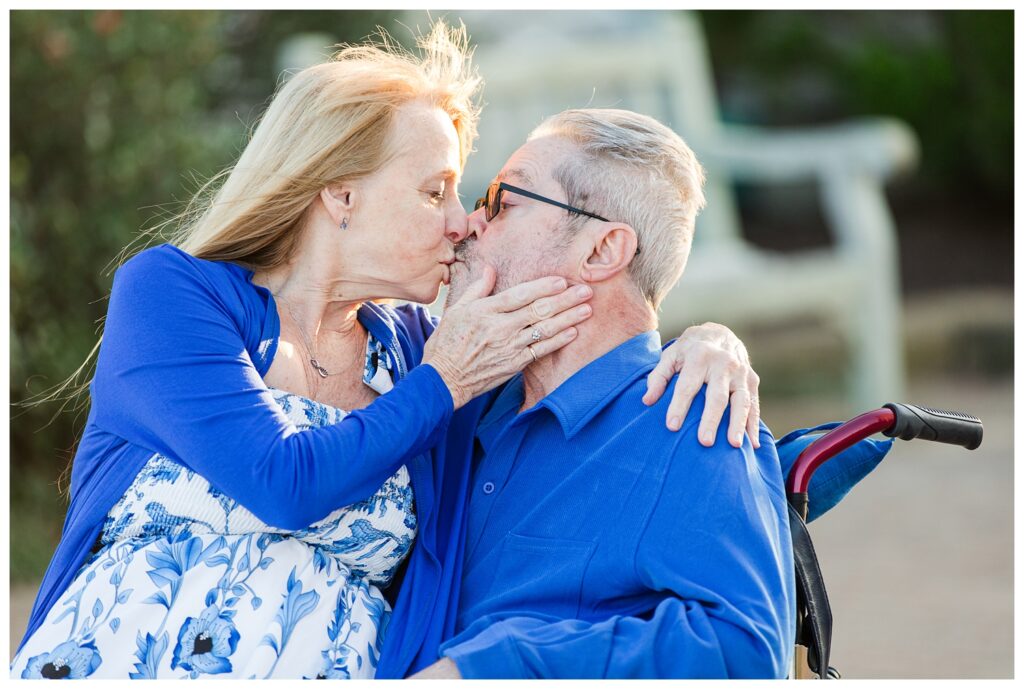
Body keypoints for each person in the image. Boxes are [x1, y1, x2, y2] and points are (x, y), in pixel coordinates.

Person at [12, 25, 760, 680]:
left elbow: (596, 401)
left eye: (483, 198)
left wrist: (711, 342)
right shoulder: (176, 296)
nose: (463, 223)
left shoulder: (421, 356)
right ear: (341, 194)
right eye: (440, 191)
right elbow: (282, 481)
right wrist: (445, 379)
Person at [409, 108, 795, 679]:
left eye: (502, 201)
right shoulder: (464, 397)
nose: (467, 223)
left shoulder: (690, 421)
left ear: (601, 251)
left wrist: (495, 667)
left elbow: (745, 653)